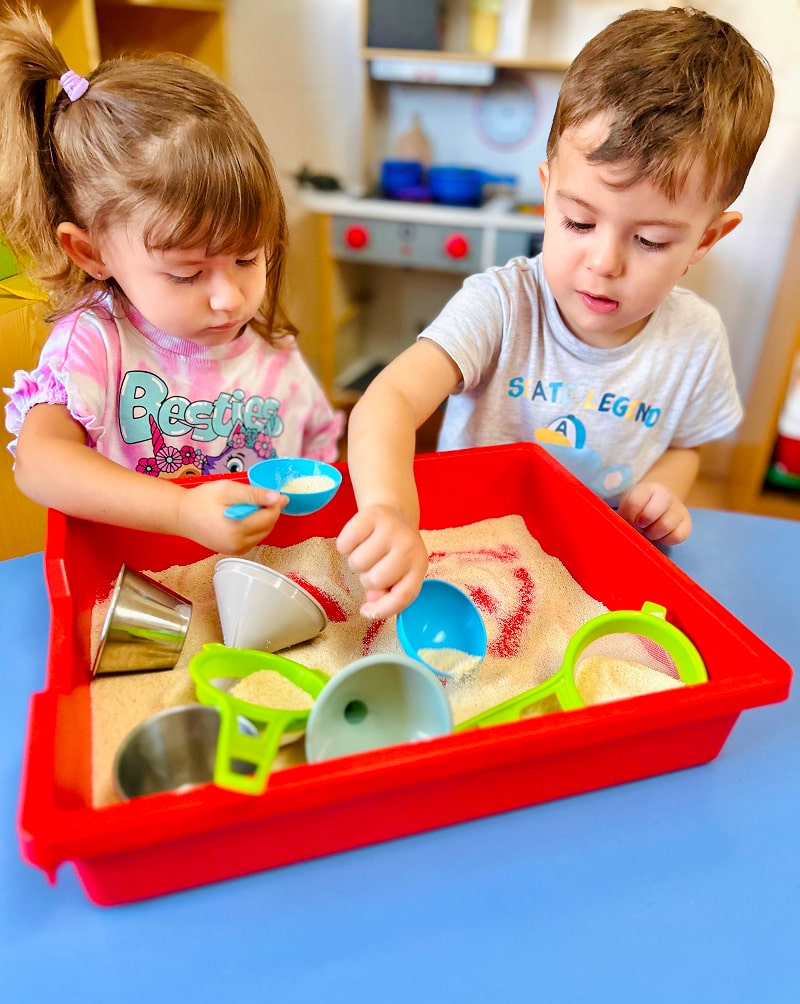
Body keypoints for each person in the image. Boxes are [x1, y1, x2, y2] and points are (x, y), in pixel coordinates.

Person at [337, 5, 774, 620]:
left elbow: (685, 447)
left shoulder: (696, 340)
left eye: (650, 240)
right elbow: (389, 400)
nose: (604, 262)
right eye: (579, 222)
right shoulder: (501, 304)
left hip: (590, 573)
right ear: (546, 194)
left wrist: (663, 492)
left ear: (705, 240)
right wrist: (389, 508)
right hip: (463, 556)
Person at [1, 4, 342, 556]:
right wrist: (181, 511)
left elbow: (318, 459)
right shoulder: (97, 344)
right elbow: (39, 464)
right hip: (135, 583)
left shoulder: (269, 349)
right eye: (187, 274)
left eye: (247, 259)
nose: (229, 298)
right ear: (91, 252)